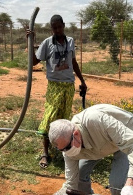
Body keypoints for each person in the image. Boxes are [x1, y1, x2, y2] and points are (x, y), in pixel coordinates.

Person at [27, 14, 87, 168]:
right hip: (54, 85)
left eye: (59, 26)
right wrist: (31, 42)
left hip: (68, 86)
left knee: (63, 120)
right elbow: (34, 62)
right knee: (50, 117)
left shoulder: (70, 42)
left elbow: (73, 62)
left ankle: (63, 150)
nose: (57, 30)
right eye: (54, 28)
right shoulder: (47, 43)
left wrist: (82, 80)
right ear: (51, 28)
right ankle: (45, 153)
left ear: (63, 25)